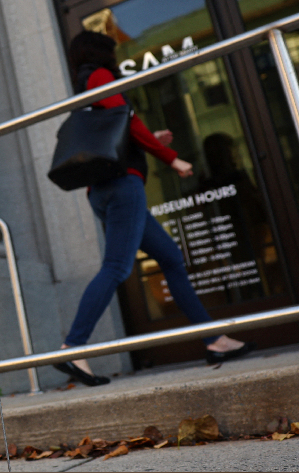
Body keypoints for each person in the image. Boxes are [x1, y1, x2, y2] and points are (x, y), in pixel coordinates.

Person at [53, 31, 255, 387]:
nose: (115, 57)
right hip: (122, 186)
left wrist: (149, 141)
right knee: (116, 267)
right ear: (101, 52)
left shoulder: (84, 84)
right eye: (112, 51)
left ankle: (214, 341)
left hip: (104, 188)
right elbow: (128, 121)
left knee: (171, 258)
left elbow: (116, 128)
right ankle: (73, 347)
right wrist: (171, 158)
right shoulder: (99, 76)